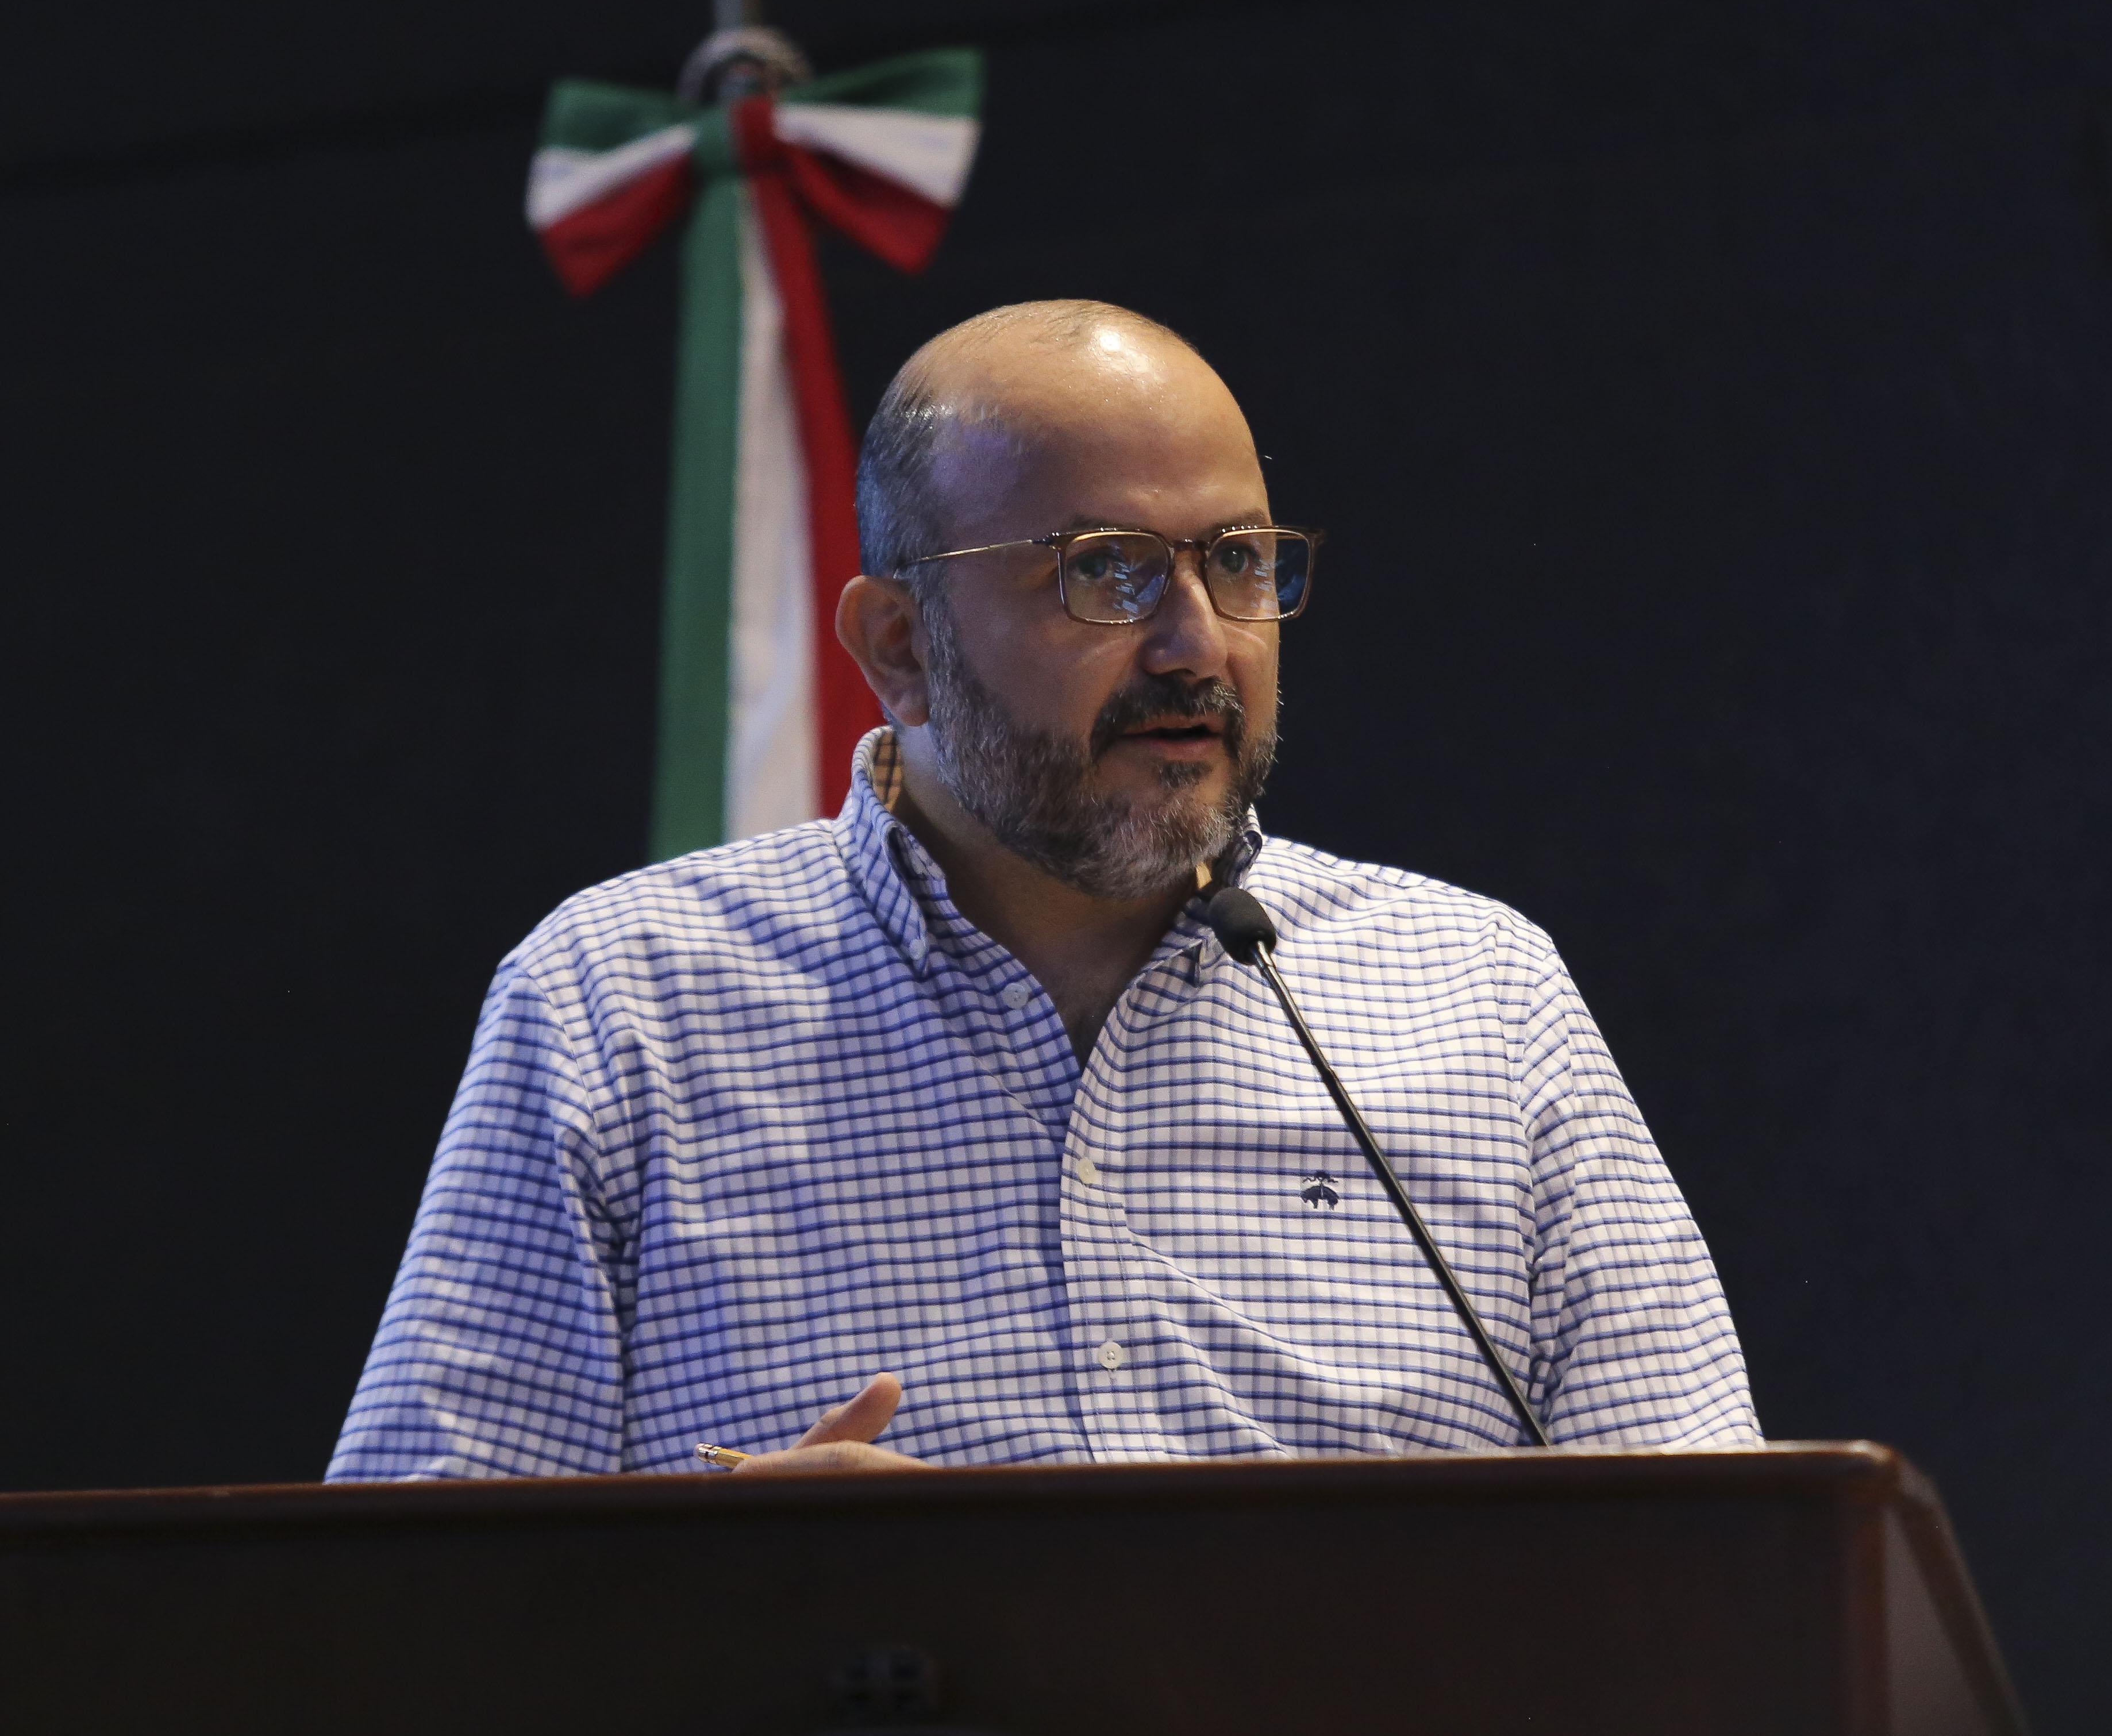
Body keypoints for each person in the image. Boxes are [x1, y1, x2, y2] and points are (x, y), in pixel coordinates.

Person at [328, 300, 1760, 1480]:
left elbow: (1714, 1583)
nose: (1196, 643)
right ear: (899, 645)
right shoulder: (619, 1003)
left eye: (1237, 562)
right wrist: (722, 1604)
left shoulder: (1481, 994)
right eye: (1106, 573)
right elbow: (402, 1619)